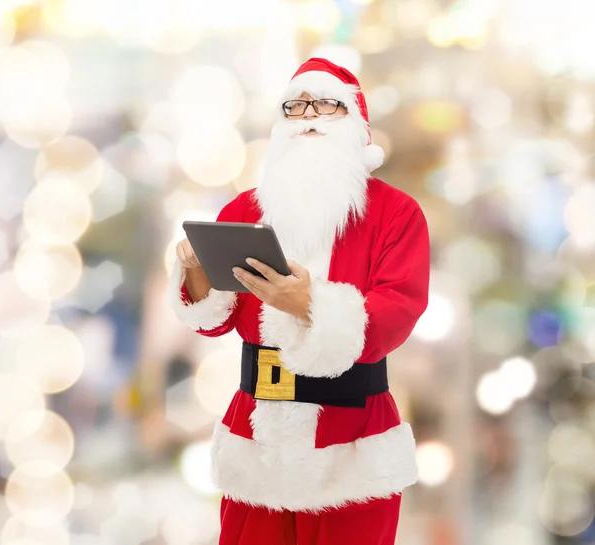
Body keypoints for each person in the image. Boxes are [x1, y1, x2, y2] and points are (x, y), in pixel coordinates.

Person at [168, 57, 430, 545]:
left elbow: (396, 315)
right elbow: (213, 321)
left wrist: (310, 303)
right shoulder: (244, 209)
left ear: (355, 124)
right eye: (295, 106)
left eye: (326, 105)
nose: (307, 115)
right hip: (257, 442)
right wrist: (196, 273)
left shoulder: (397, 214)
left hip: (352, 445)